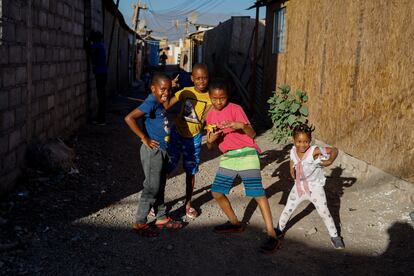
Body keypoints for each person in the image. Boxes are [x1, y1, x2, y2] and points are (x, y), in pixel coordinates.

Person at [205, 79, 280, 253]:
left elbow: (252, 134)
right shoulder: (210, 115)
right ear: (210, 97)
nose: (218, 102)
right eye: (215, 99)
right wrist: (210, 141)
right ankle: (235, 223)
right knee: (216, 192)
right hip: (229, 156)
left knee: (258, 194)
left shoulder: (236, 109)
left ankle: (271, 235)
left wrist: (242, 126)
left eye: (222, 98)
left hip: (247, 152)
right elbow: (210, 145)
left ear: (227, 96)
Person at [124, 73, 183, 237]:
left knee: (161, 183)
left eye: (168, 90)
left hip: (162, 150)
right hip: (153, 152)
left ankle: (161, 217)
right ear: (153, 88)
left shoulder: (159, 101)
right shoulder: (150, 101)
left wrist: (173, 90)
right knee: (152, 186)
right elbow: (129, 118)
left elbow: (166, 103)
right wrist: (144, 138)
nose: (166, 93)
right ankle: (140, 222)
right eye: (162, 90)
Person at [275, 123, 345, 249]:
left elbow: (334, 150)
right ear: (294, 140)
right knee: (288, 209)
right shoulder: (293, 150)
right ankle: (279, 230)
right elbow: (292, 159)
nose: (302, 145)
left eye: (306, 141)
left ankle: (335, 236)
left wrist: (330, 160)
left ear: (310, 140)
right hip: (298, 187)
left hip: (315, 188)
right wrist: (291, 168)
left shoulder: (314, 151)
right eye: (299, 141)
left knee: (324, 212)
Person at [163, 63, 212, 219]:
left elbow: (212, 118)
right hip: (177, 134)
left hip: (195, 138)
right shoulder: (185, 92)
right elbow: (166, 105)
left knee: (191, 171)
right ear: (192, 78)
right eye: (197, 78)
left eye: (204, 78)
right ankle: (157, 202)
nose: (201, 81)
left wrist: (211, 129)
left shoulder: (212, 97)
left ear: (208, 78)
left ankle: (188, 203)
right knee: (167, 167)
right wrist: (170, 87)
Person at [90, 31, 108, 126]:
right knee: (102, 96)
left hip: (100, 73)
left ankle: (101, 120)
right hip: (103, 72)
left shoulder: (96, 46)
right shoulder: (101, 45)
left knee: (100, 97)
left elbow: (90, 51)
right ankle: (101, 119)